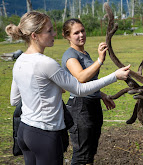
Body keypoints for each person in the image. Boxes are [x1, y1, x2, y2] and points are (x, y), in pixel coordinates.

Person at [6, 11, 130, 165]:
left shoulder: (20, 61)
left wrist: (47, 90)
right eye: (49, 30)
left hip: (25, 131)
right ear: (34, 36)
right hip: (45, 134)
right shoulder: (47, 63)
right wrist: (114, 76)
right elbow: (79, 89)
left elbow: (14, 100)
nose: (54, 33)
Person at [61, 18, 117, 165]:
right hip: (80, 108)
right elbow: (81, 78)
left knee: (91, 151)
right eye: (76, 33)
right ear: (67, 36)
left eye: (83, 31)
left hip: (92, 105)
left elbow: (90, 82)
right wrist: (99, 60)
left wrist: (101, 95)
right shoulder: (70, 56)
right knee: (81, 155)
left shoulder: (84, 53)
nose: (81, 35)